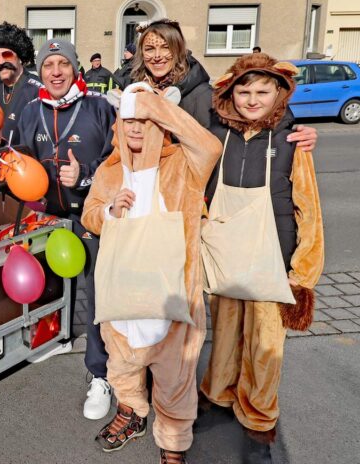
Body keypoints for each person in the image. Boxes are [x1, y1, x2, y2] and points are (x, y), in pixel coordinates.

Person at [81, 84, 222, 464]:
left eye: (146, 119)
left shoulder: (183, 163)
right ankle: (131, 413)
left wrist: (157, 107)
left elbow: (211, 147)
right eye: (130, 120)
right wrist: (110, 211)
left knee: (175, 377)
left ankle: (173, 443)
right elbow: (89, 215)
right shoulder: (109, 171)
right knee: (123, 366)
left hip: (171, 295)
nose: (137, 128)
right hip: (124, 295)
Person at [199, 53, 324, 464]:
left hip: (275, 254)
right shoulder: (218, 135)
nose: (252, 99)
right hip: (227, 253)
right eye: (244, 90)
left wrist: (302, 273)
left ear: (279, 93)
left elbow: (309, 208)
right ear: (230, 93)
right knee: (226, 334)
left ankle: (258, 417)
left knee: (265, 345)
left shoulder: (292, 138)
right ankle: (218, 396)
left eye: (262, 91)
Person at [16, 39, 117, 421]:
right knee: (52, 284)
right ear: (40, 72)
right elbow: (19, 159)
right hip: (48, 217)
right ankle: (55, 336)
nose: (55, 71)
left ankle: (99, 374)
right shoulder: (30, 111)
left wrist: (85, 175)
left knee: (97, 295)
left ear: (75, 69)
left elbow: (116, 161)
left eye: (62, 63)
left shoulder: (99, 107)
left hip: (90, 215)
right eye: (48, 65)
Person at [119, 19, 317, 149]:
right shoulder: (135, 89)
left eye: (165, 48)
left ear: (178, 50)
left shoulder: (202, 93)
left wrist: (292, 130)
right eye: (150, 49)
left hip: (188, 185)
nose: (157, 56)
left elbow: (248, 112)